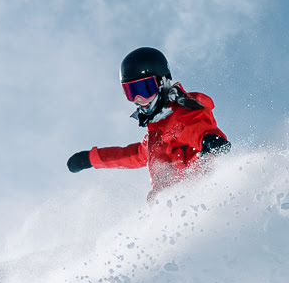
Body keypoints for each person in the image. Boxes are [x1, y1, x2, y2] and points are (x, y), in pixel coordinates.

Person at [67, 47, 230, 193]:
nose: (138, 99)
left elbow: (195, 127)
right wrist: (91, 159)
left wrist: (209, 138)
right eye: (131, 92)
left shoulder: (182, 113)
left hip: (197, 193)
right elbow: (134, 154)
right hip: (169, 205)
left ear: (162, 82)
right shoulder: (156, 131)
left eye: (144, 89)